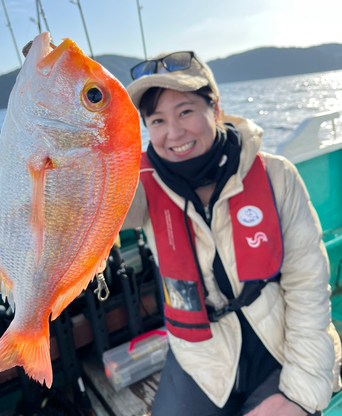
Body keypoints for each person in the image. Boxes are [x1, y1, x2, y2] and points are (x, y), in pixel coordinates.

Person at [121, 51, 342, 415]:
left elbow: (309, 286)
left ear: (216, 107)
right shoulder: (139, 189)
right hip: (199, 352)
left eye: (186, 111)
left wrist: (300, 393)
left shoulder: (276, 174)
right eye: (157, 120)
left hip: (278, 338)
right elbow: (79, 210)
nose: (173, 133)